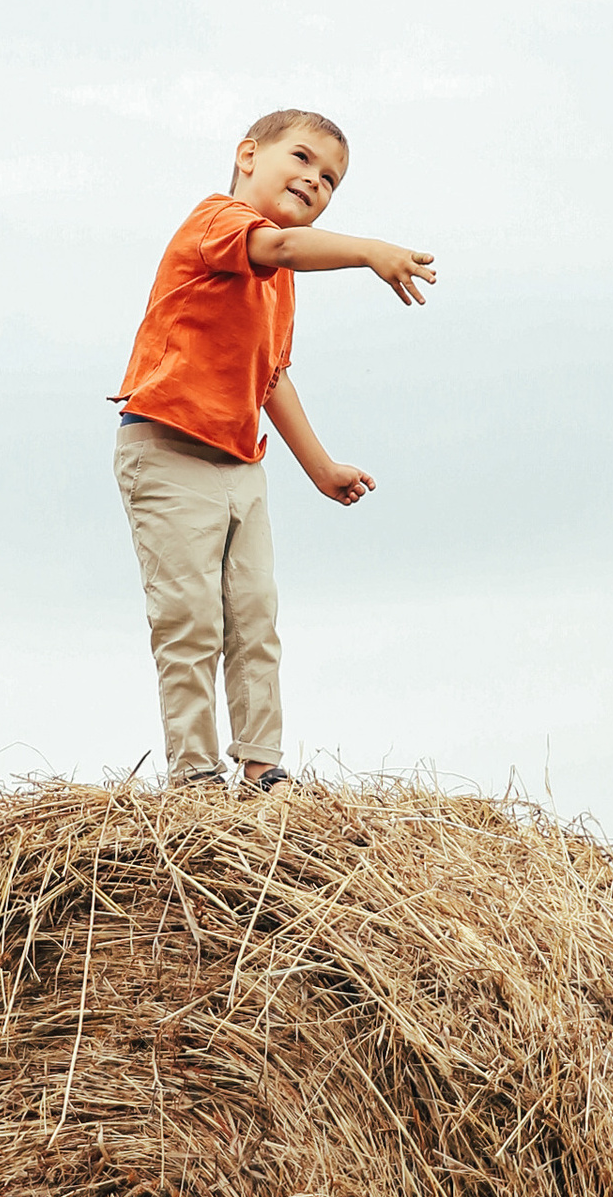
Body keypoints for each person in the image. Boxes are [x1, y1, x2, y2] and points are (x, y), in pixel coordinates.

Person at [113, 108, 433, 793]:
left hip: (238, 460)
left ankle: (262, 767)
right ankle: (195, 773)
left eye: (331, 181)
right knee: (189, 616)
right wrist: (370, 250)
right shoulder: (217, 221)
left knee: (254, 613)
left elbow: (271, 374)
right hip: (168, 449)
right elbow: (281, 247)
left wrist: (320, 467)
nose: (315, 182)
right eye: (303, 160)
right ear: (248, 154)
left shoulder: (280, 280)